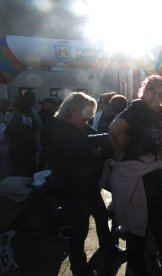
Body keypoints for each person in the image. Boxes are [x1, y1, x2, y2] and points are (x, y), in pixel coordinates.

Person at [108, 75, 162, 275]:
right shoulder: (139, 107)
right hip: (141, 174)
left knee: (156, 218)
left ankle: (161, 253)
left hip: (151, 171)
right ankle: (137, 265)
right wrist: (122, 153)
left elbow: (147, 138)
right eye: (152, 90)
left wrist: (160, 151)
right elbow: (114, 130)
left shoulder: (154, 111)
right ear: (144, 89)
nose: (154, 96)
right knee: (139, 221)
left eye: (160, 93)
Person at [43, 92, 118, 276]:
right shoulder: (55, 127)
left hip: (88, 185)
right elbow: (84, 142)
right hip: (70, 189)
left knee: (101, 217)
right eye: (87, 113)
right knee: (80, 228)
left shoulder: (80, 126)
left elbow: (94, 138)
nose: (89, 118)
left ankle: (109, 248)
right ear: (73, 110)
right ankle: (78, 265)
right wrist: (111, 135)